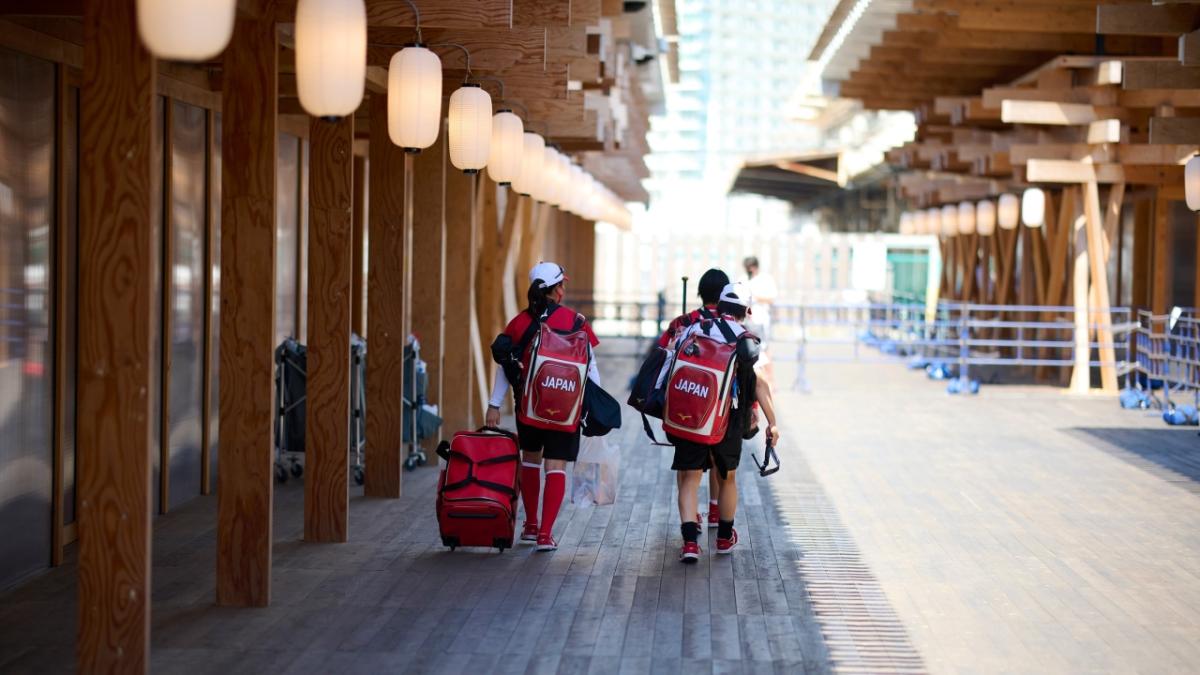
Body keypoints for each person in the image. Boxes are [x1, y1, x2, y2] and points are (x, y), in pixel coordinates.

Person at [486, 262, 601, 552]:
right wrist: (592, 406)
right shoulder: (577, 322)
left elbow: (503, 364)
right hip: (565, 410)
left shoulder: (520, 322)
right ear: (557, 290)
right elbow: (592, 369)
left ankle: (531, 524)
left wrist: (494, 404)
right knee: (555, 466)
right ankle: (546, 534)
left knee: (531, 460)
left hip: (529, 408)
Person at [668, 282, 779, 563]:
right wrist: (772, 422)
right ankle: (724, 537)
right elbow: (761, 384)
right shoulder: (746, 340)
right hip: (727, 418)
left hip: (692, 413)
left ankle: (690, 543)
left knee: (690, 479)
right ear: (748, 311)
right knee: (727, 477)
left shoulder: (695, 329)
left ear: (719, 304)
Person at [657, 268, 729, 530]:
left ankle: (692, 515)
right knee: (715, 455)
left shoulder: (683, 322)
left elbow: (662, 353)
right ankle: (713, 509)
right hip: (718, 404)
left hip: (685, 399)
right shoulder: (730, 325)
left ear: (699, 292)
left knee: (686, 461)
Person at [743, 255, 778, 384]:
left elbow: (771, 299)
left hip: (761, 321)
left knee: (765, 350)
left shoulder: (766, 279)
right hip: (748, 322)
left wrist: (755, 298)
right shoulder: (744, 279)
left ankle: (770, 382)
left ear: (754, 267)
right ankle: (755, 380)